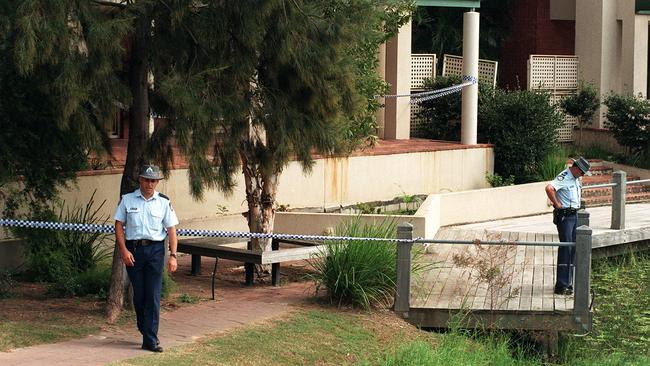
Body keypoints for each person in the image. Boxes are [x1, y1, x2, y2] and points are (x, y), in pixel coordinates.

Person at [114, 164, 179, 352]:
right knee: (140, 296)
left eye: (153, 180)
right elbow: (118, 225)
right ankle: (145, 329)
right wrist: (124, 251)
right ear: (140, 180)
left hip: (156, 251)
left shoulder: (164, 202)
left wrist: (173, 255)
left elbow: (172, 230)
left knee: (153, 295)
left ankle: (150, 339)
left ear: (157, 182)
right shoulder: (127, 200)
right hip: (134, 252)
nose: (149, 184)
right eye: (146, 179)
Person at [545, 157, 591, 295]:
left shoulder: (575, 178)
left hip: (574, 214)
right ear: (576, 168)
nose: (582, 175)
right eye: (582, 172)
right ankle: (561, 284)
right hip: (565, 216)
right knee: (566, 248)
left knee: (573, 248)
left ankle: (568, 282)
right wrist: (557, 204)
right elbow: (549, 188)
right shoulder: (564, 176)